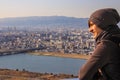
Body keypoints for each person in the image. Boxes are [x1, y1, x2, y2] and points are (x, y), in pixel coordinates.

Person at [79, 8, 120, 80]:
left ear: (102, 24)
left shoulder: (106, 45)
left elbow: (84, 75)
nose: (90, 30)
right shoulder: (116, 39)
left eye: (92, 25)